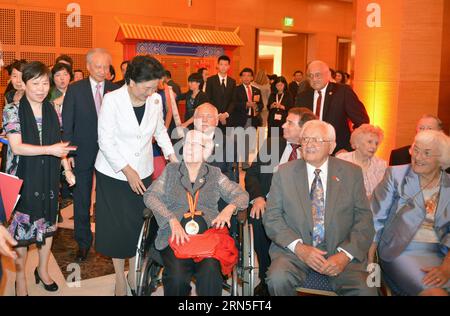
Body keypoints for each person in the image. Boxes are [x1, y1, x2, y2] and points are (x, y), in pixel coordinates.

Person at [263, 120, 376, 296]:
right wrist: (300, 249)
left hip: (340, 251)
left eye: (317, 140)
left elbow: (364, 220)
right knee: (277, 279)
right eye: (306, 139)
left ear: (331, 146)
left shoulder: (351, 173)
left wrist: (345, 255)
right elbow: (272, 218)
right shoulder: (284, 172)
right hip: (294, 253)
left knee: (366, 290)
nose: (309, 144)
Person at [95, 55, 177, 296]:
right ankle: (120, 276)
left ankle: (134, 271)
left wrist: (172, 157)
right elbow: (105, 141)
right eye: (146, 87)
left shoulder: (154, 101)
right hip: (114, 174)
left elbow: (160, 131)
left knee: (138, 227)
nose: (151, 92)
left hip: (144, 171)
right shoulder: (112, 100)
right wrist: (127, 170)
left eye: (154, 87)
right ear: (130, 80)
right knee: (116, 228)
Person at [143, 130, 249, 296]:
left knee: (210, 272)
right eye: (187, 144)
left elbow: (242, 195)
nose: (189, 148)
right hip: (175, 236)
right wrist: (170, 219)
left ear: (206, 150)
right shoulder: (171, 170)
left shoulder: (214, 174)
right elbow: (150, 195)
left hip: (207, 237)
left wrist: (230, 208)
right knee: (177, 277)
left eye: (195, 144)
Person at [3, 61, 76, 296]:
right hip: (22, 181)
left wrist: (66, 169)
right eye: (35, 83)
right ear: (23, 84)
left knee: (48, 228)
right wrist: (50, 150)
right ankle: (20, 278)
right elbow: (18, 147)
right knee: (22, 235)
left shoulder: (52, 109)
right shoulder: (12, 110)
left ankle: (42, 271)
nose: (41, 88)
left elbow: (60, 144)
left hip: (48, 178)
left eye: (45, 83)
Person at [245, 107, 317, 296]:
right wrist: (258, 197)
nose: (283, 125)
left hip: (301, 212)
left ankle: (294, 269)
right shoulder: (271, 144)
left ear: (304, 128)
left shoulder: (314, 152)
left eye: (290, 123)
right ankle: (266, 276)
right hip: (268, 204)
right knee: (258, 218)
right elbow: (252, 174)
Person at [370, 130, 450, 296]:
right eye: (416, 149)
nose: (418, 157)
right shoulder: (396, 175)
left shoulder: (448, 185)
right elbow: (375, 218)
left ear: (441, 158)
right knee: (436, 293)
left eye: (427, 153)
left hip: (442, 254)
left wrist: (446, 267)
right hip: (401, 251)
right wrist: (369, 260)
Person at [62, 48, 118, 262]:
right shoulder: (75, 90)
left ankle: (107, 241)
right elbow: (68, 124)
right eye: (98, 66)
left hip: (110, 153)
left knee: (107, 199)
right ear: (88, 67)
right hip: (83, 151)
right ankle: (83, 242)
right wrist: (69, 152)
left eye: (106, 67)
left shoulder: (116, 90)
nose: (102, 71)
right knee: (82, 198)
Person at [295, 60, 370, 154]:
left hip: (338, 152)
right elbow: (297, 125)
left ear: (328, 75)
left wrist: (349, 148)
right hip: (309, 152)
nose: (314, 79)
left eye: (318, 75)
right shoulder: (303, 97)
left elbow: (362, 122)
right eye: (310, 76)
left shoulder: (343, 92)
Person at [337, 124, 387, 198]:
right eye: (369, 142)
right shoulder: (342, 160)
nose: (374, 147)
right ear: (357, 143)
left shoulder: (380, 164)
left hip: (372, 207)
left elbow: (383, 192)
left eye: (376, 143)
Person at [205, 55, 236, 129]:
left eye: (226, 65)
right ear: (217, 65)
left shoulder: (232, 82)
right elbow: (208, 99)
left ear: (229, 66)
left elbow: (233, 100)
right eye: (221, 64)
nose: (223, 67)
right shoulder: (210, 80)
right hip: (214, 118)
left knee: (228, 140)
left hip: (228, 118)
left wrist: (226, 114)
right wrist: (219, 115)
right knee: (215, 140)